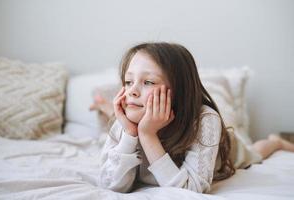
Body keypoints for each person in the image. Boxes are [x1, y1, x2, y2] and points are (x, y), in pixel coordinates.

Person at [89, 42, 294, 193]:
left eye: (149, 82)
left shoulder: (205, 121)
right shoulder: (125, 124)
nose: (132, 91)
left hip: (228, 152)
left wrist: (148, 134)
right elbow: (112, 185)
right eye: (127, 81)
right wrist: (131, 134)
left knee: (254, 152)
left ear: (179, 90)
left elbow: (190, 191)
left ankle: (275, 143)